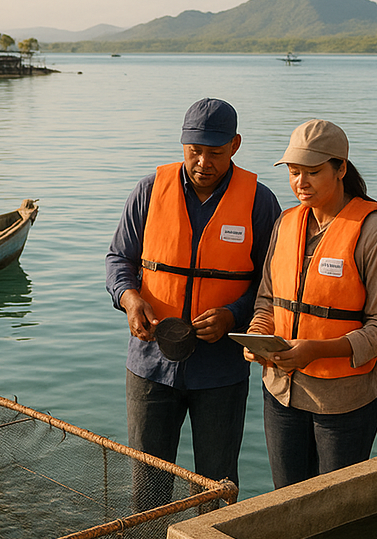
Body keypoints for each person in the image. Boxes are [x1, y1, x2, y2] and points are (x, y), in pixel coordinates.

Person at [105, 97, 281, 499]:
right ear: (182, 143)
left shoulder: (260, 202)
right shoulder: (150, 190)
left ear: (235, 145)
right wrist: (130, 299)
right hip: (149, 366)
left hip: (221, 373)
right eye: (194, 151)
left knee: (218, 483)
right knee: (147, 484)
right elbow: (119, 259)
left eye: (215, 153)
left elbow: (272, 284)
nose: (203, 162)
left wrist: (234, 314)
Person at [243, 120, 377, 489]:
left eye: (313, 172)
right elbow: (267, 300)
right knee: (285, 502)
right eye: (294, 172)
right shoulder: (285, 223)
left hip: (343, 404)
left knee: (335, 511)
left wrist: (316, 350)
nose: (301, 182)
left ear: (341, 168)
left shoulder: (374, 232)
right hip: (281, 394)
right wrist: (256, 337)